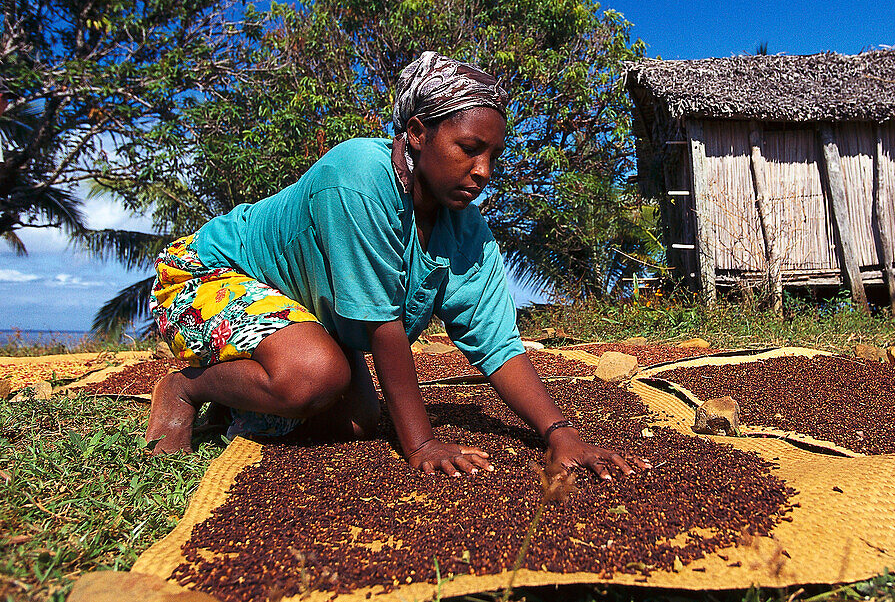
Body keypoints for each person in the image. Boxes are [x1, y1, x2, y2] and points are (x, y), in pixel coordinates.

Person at [146, 51, 648, 480]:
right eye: (469, 149)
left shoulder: (464, 229)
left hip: (297, 313)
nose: (483, 171)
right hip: (205, 273)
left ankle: (243, 396)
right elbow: (381, 324)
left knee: (361, 421)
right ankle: (185, 387)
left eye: (493, 156)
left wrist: (559, 434)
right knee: (314, 376)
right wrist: (422, 445)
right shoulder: (359, 177)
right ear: (416, 134)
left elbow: (497, 343)